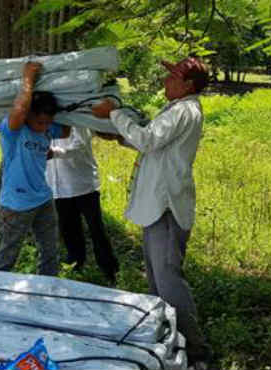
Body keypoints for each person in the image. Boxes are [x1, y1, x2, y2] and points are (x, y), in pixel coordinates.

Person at [91, 57, 212, 369]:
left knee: (168, 279)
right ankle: (168, 339)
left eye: (172, 78)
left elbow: (148, 139)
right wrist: (121, 135)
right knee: (157, 280)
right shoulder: (179, 109)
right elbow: (156, 146)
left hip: (166, 206)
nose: (165, 82)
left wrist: (114, 114)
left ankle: (195, 350)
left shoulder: (185, 110)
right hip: (158, 205)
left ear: (188, 85)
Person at [0, 62, 71, 275]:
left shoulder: (47, 127)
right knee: (5, 257)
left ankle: (46, 291)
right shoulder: (13, 130)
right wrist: (28, 78)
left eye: (48, 123)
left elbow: (67, 130)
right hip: (15, 204)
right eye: (40, 122)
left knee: (50, 253)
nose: (45, 128)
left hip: (42, 198)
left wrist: (68, 99)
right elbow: (20, 109)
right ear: (28, 116)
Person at [45, 126, 119, 285]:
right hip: (58, 187)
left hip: (82, 185)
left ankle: (109, 270)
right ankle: (76, 266)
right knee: (68, 229)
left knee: (96, 229)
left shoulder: (75, 120)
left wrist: (55, 152)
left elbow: (80, 145)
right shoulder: (44, 121)